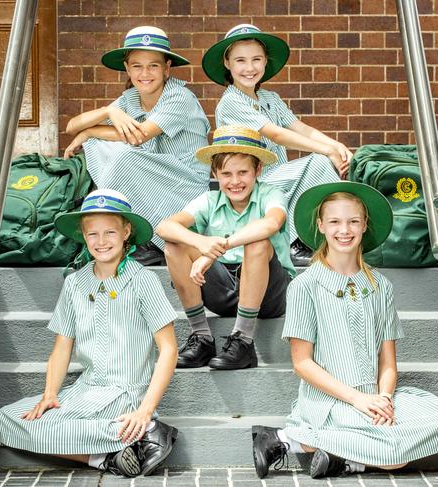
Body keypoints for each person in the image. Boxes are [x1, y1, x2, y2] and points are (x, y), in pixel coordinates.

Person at [251, 182, 438, 479]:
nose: (345, 230)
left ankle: (339, 459)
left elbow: (388, 363)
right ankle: (290, 439)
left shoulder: (381, 287)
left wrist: (385, 399)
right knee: (393, 456)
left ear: (365, 224)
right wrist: (357, 400)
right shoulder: (306, 286)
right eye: (335, 222)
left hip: (374, 395)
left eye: (353, 221)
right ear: (321, 225)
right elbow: (302, 363)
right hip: (331, 399)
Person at [0, 189, 179, 477]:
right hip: (84, 390)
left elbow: (169, 349)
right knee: (6, 418)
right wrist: (50, 394)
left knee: (54, 428)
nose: (101, 242)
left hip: (125, 393)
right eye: (93, 234)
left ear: (126, 231)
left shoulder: (144, 281)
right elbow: (62, 346)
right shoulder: (75, 283)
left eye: (110, 232)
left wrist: (144, 409)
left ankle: (142, 424)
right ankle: (106, 456)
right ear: (83, 235)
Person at [203, 24, 353, 265]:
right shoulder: (231, 101)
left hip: (277, 177)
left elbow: (301, 128)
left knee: (322, 163)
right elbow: (277, 135)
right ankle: (295, 242)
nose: (249, 68)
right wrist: (326, 151)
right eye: (240, 60)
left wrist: (337, 147)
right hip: (251, 183)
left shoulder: (270, 98)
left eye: (256, 59)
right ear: (227, 64)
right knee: (316, 163)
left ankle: (314, 237)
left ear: (265, 62)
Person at [64, 26, 211, 264]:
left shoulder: (179, 97)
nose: (145, 73)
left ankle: (145, 239)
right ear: (127, 69)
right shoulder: (129, 99)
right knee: (99, 147)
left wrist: (90, 131)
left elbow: (139, 136)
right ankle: (126, 230)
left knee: (123, 154)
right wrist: (108, 110)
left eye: (153, 65)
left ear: (166, 68)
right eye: (137, 66)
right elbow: (72, 126)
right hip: (153, 182)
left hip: (185, 187)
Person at [156, 125, 294, 370]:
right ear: (215, 173)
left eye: (243, 172)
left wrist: (218, 248)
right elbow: (165, 226)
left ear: (257, 170)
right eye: (226, 174)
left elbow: (271, 223)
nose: (235, 181)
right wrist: (201, 243)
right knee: (174, 246)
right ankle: (202, 337)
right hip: (225, 290)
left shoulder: (271, 194)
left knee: (258, 243)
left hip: (270, 294)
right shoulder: (209, 200)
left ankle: (243, 340)